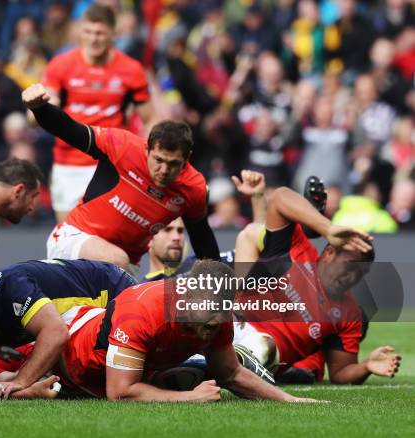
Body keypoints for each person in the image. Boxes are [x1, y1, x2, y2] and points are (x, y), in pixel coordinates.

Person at [56, 259, 321, 402]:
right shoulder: (143, 310)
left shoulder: (217, 315)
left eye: (219, 320)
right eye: (206, 322)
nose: (211, 330)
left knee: (200, 371)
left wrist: (290, 400)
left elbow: (232, 374)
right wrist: (189, 398)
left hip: (121, 372)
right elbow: (120, 392)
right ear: (188, 297)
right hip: (68, 361)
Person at [23, 83, 221, 272]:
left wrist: (223, 287)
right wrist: (40, 108)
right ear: (148, 149)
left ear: (187, 159)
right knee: (116, 260)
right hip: (74, 239)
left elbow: (203, 240)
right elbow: (70, 129)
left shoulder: (193, 188)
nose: (163, 170)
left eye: (173, 164)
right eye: (158, 160)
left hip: (125, 266)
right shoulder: (123, 146)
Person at [232, 186, 401, 384]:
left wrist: (366, 367)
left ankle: (218, 366)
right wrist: (328, 228)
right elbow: (279, 197)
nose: (351, 277)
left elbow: (340, 372)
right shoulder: (298, 250)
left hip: (263, 356)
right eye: (349, 266)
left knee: (264, 347)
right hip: (233, 323)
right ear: (329, 253)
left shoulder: (350, 314)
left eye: (360, 273)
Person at [0, 258, 136, 399]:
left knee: (70, 363)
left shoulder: (10, 287)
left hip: (115, 294)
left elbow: (56, 333)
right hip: (85, 310)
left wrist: (22, 381)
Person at [42, 4, 154, 223]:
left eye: (100, 33)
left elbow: (149, 117)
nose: (93, 39)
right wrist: (37, 109)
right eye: (88, 32)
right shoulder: (60, 65)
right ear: (80, 31)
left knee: (108, 230)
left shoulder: (131, 70)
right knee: (66, 233)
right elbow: (48, 109)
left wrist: (145, 156)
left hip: (110, 161)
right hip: (69, 162)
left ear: (113, 33)